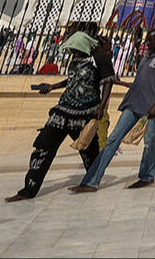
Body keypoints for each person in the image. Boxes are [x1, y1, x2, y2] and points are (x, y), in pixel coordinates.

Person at [6, 33, 110, 202]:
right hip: (63, 110)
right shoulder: (76, 59)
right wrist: (52, 86)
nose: (73, 53)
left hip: (85, 113)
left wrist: (101, 106)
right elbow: (72, 79)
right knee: (43, 148)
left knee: (89, 151)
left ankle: (91, 182)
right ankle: (29, 189)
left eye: (76, 50)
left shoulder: (99, 59)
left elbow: (108, 82)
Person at [71, 26, 155, 192]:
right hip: (133, 103)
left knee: (149, 141)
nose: (147, 42)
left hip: (151, 106)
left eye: (151, 39)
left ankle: (146, 176)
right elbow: (140, 80)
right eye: (147, 39)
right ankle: (91, 181)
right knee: (113, 139)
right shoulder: (146, 56)